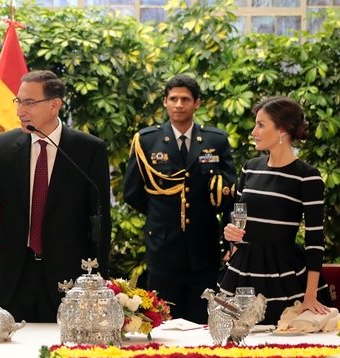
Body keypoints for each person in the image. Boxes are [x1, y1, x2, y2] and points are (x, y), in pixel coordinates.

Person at [0, 70, 111, 323]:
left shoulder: (88, 149)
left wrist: (98, 280)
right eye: (18, 101)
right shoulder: (6, 145)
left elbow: (100, 221)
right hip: (14, 278)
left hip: (68, 279)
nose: (20, 111)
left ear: (55, 105)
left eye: (29, 103)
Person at [123, 74, 236, 324]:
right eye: (173, 98)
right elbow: (132, 192)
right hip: (163, 247)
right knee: (163, 319)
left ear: (197, 103)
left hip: (203, 245)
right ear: (164, 102)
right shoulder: (147, 140)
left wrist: (231, 243)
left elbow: (229, 194)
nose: (178, 104)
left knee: (202, 319)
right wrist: (162, 214)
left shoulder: (215, 140)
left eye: (185, 99)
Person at [219, 96, 332, 324]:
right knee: (235, 341)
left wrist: (309, 295)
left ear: (282, 130)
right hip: (243, 270)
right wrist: (231, 234)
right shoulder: (250, 168)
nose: (254, 132)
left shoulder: (307, 176)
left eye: (261, 125)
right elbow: (238, 216)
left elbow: (315, 240)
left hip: (285, 276)